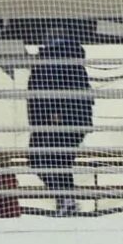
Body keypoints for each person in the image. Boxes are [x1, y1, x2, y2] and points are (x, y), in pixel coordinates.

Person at [26, 38, 92, 215]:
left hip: (58, 121)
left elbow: (54, 87)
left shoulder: (54, 59)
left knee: (46, 160)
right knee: (58, 162)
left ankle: (65, 199)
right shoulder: (63, 59)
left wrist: (54, 113)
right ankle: (65, 200)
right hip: (65, 120)